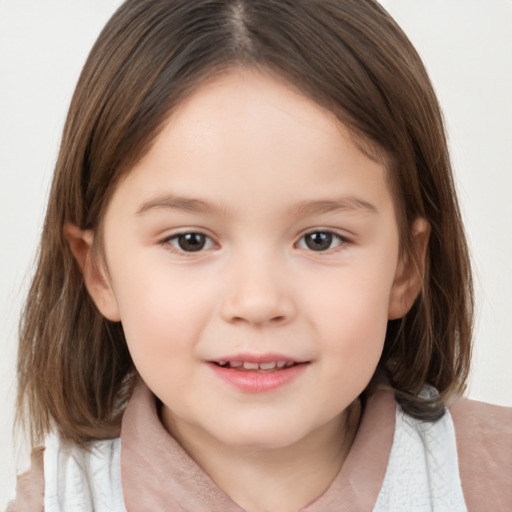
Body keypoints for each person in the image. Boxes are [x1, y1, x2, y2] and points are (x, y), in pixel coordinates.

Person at [7, 0, 512, 511]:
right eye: (190, 240)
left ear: (406, 266)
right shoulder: (52, 501)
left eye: (320, 239)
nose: (257, 301)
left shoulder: (496, 479)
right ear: (100, 272)